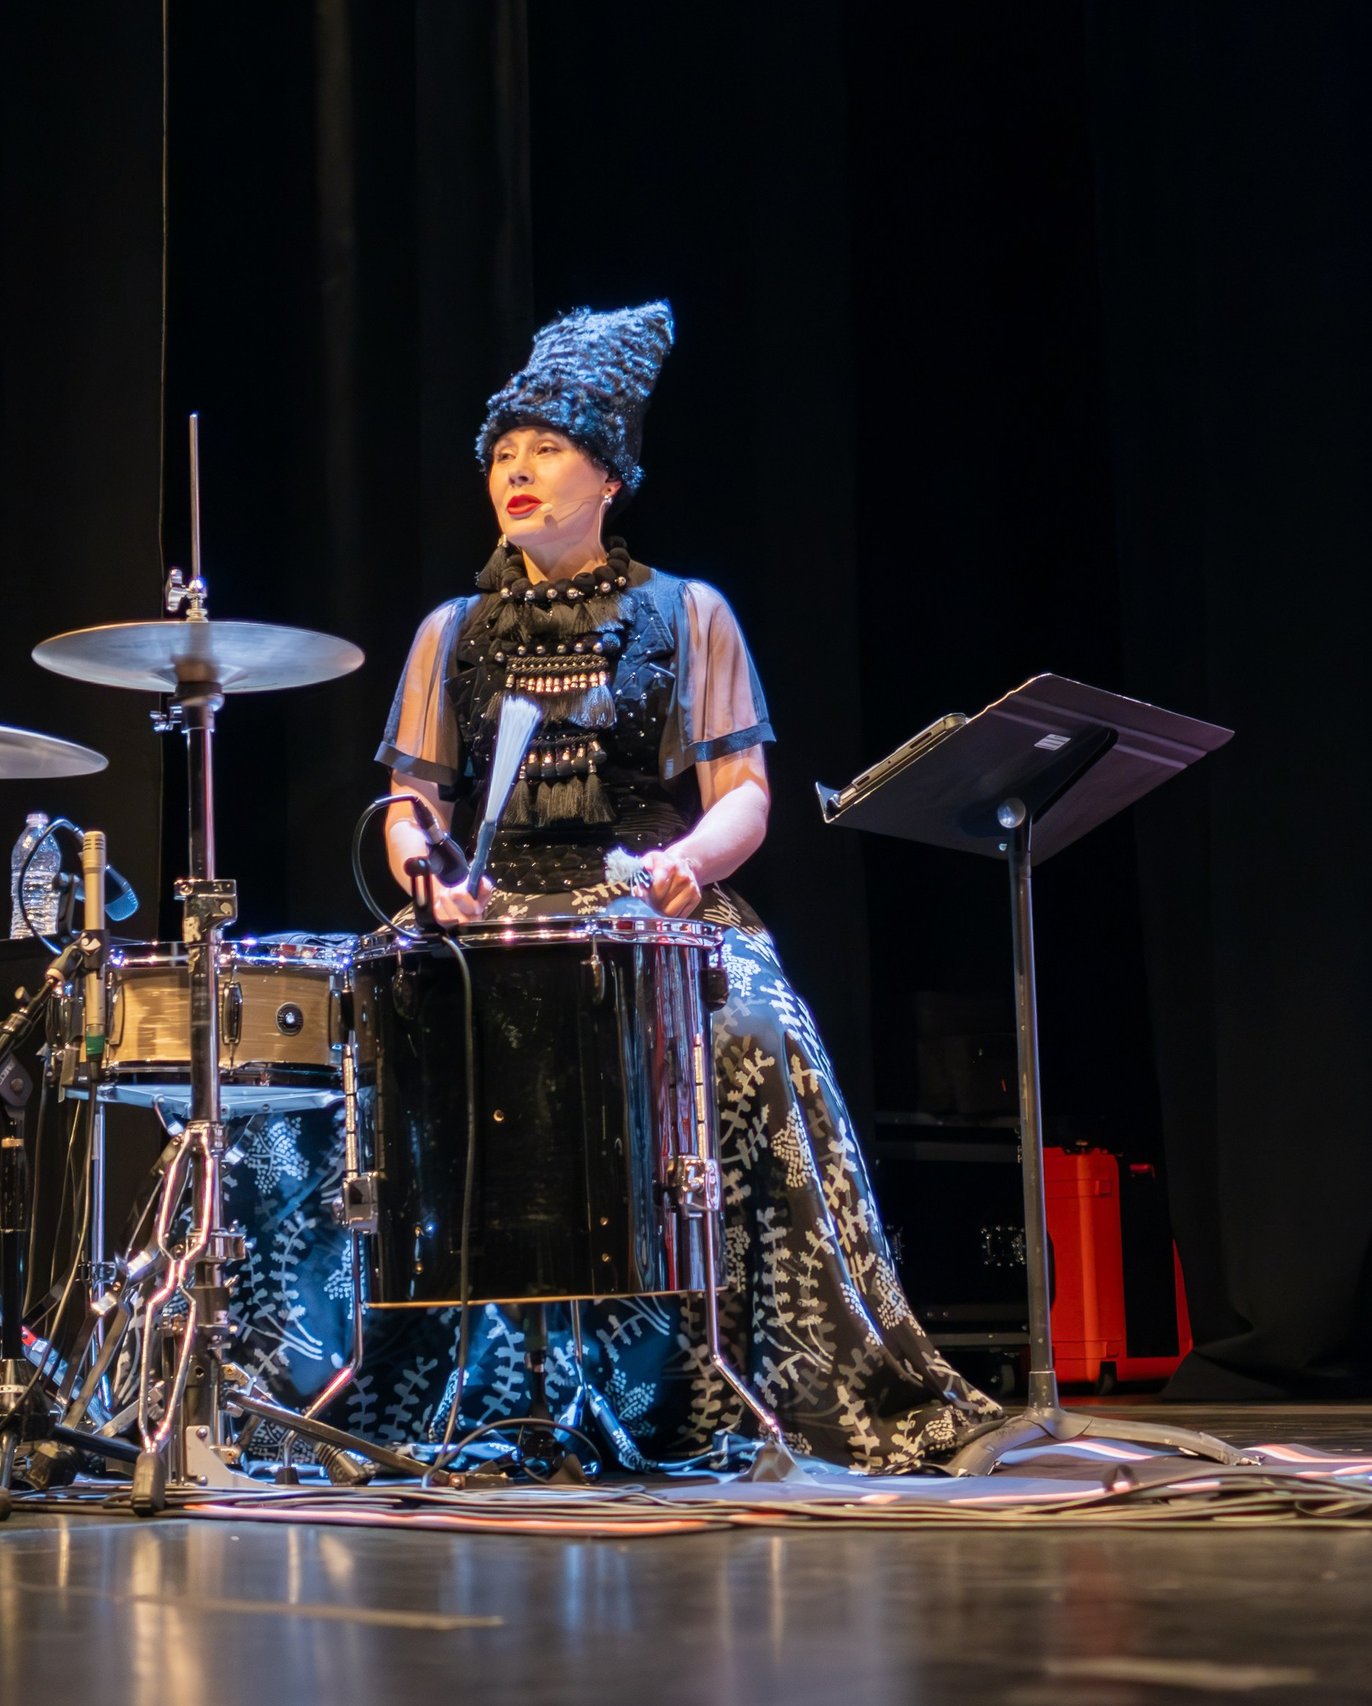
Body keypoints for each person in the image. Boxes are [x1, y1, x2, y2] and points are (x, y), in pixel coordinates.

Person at [220, 302, 997, 1471]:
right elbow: (409, 803)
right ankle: (352, 1384)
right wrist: (424, 867)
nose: (515, 473)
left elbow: (744, 793)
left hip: (650, 908)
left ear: (611, 476)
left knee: (750, 1037)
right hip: (492, 915)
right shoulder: (452, 630)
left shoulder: (690, 613)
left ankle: (745, 1385)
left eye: (545, 451)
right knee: (353, 1058)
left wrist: (687, 861)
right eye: (500, 455)